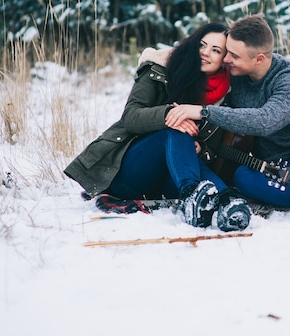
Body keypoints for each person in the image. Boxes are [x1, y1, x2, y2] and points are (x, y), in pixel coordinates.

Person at [168, 15, 290, 216]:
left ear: (259, 59)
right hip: (272, 169)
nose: (226, 60)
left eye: (234, 56)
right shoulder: (235, 77)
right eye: (227, 52)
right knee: (242, 178)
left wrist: (203, 112)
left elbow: (266, 120)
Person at [64, 22, 251, 232]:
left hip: (171, 180)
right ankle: (193, 195)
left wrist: (201, 149)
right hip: (132, 173)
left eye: (216, 50)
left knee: (185, 141)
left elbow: (213, 148)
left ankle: (228, 202)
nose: (206, 53)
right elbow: (130, 117)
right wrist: (168, 114)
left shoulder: (224, 96)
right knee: (176, 127)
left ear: (224, 60)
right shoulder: (159, 68)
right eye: (202, 45)